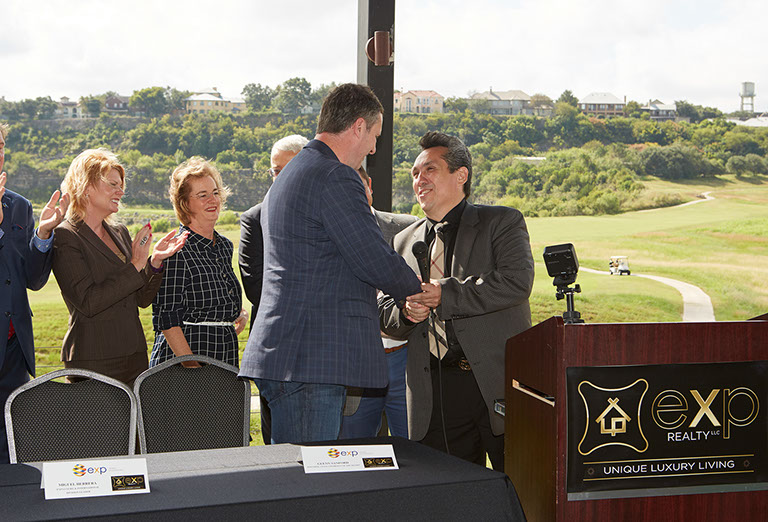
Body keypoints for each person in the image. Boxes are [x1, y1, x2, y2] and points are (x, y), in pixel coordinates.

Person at [239, 83, 423, 444]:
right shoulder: (333, 175)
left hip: (290, 356)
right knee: (310, 473)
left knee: (296, 469)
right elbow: (370, 255)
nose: (373, 148)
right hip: (311, 359)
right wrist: (418, 291)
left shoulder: (294, 172)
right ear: (358, 127)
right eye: (374, 136)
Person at [379, 131, 535, 470]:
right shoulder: (402, 241)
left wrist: (445, 294)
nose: (419, 180)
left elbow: (516, 282)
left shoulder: (501, 222)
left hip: (495, 385)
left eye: (430, 169)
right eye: (415, 173)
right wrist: (406, 312)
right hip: (434, 393)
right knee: (451, 491)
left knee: (520, 488)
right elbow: (383, 310)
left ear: (461, 175)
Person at [53, 148, 187, 386]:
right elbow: (89, 302)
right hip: (93, 359)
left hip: (134, 356)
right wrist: (136, 264)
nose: (121, 191)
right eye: (113, 184)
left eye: (121, 185)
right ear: (86, 186)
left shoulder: (120, 232)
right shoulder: (66, 236)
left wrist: (154, 262)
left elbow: (141, 299)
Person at [0, 122, 69, 463]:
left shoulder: (19, 205)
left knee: (12, 452)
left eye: (0, 146)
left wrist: (42, 234)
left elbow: (33, 279)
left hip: (14, 349)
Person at [239, 134, 308, 445]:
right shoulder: (254, 218)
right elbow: (256, 287)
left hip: (322, 349)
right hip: (276, 351)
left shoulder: (325, 213)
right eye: (275, 170)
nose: (280, 177)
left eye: (287, 169)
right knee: (278, 443)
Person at [340, 166, 417, 439]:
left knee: (416, 453)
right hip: (354, 365)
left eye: (358, 186)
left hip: (405, 359)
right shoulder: (326, 235)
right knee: (354, 450)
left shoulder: (408, 227)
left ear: (370, 186)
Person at [151, 157, 246, 368]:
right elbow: (167, 319)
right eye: (203, 195)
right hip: (184, 364)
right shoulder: (176, 249)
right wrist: (193, 368)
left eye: (215, 193)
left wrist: (237, 314)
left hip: (223, 357)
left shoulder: (223, 246)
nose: (213, 200)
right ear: (185, 203)